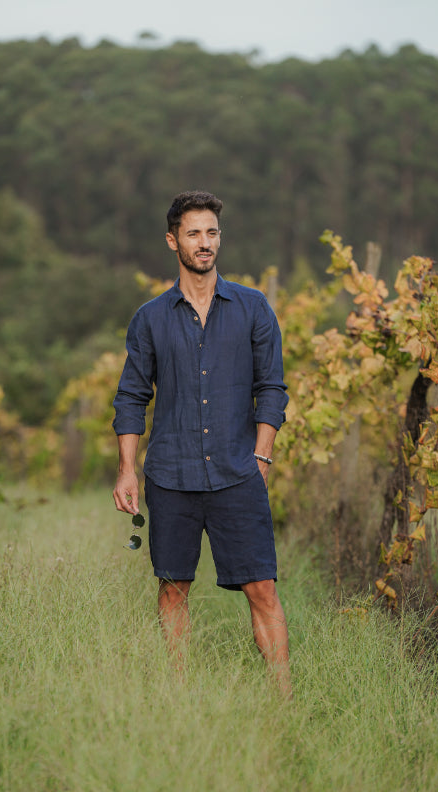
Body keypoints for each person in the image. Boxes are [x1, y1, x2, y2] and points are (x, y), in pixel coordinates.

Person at [112, 191, 291, 695]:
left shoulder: (253, 308)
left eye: (212, 232)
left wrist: (262, 451)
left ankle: (284, 700)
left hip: (239, 472)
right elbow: (131, 396)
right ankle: (179, 697)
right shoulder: (150, 318)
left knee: (262, 588)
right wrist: (127, 468)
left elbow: (272, 387)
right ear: (173, 241)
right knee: (173, 591)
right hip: (171, 474)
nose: (205, 242)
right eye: (194, 233)